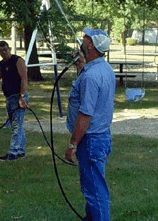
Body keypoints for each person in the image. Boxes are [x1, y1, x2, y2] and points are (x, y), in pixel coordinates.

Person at [65, 28, 115, 221]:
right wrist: (80, 66)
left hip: (91, 140)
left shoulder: (92, 76)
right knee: (93, 186)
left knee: (95, 192)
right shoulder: (103, 69)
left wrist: (73, 144)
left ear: (91, 45)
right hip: (101, 137)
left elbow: (85, 114)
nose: (82, 40)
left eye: (86, 37)